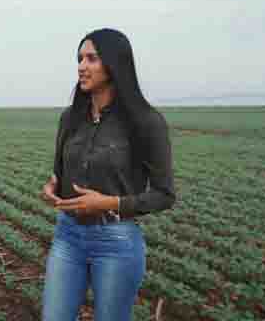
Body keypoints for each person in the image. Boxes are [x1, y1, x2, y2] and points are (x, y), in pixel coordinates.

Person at [40, 28, 176, 321]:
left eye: (91, 58)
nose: (81, 66)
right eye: (79, 58)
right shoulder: (70, 118)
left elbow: (164, 194)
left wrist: (109, 203)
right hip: (67, 236)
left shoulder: (146, 122)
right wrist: (52, 187)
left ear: (114, 64)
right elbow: (58, 174)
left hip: (116, 240)